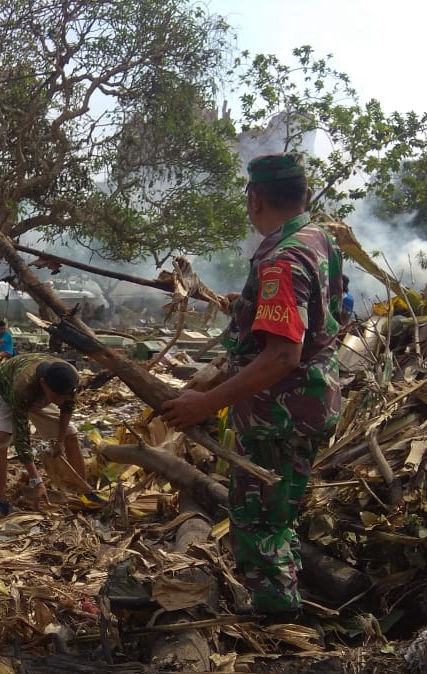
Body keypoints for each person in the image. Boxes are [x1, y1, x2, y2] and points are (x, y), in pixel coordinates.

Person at [161, 153, 343, 620]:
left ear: (256, 198)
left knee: (260, 522)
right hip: (309, 406)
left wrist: (205, 403)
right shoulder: (319, 238)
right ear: (304, 194)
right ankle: (286, 596)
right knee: (278, 515)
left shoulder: (282, 260)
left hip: (278, 416)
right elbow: (315, 321)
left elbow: (283, 355)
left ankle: (277, 624)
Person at [0, 355, 88, 517]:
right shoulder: (23, 387)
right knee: (1, 437)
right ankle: (1, 500)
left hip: (41, 397)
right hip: (5, 388)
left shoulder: (70, 379)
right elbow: (22, 439)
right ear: (43, 384)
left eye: (64, 397)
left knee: (71, 434)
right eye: (56, 397)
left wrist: (60, 441)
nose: (60, 401)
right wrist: (36, 480)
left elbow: (67, 408)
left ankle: (84, 490)